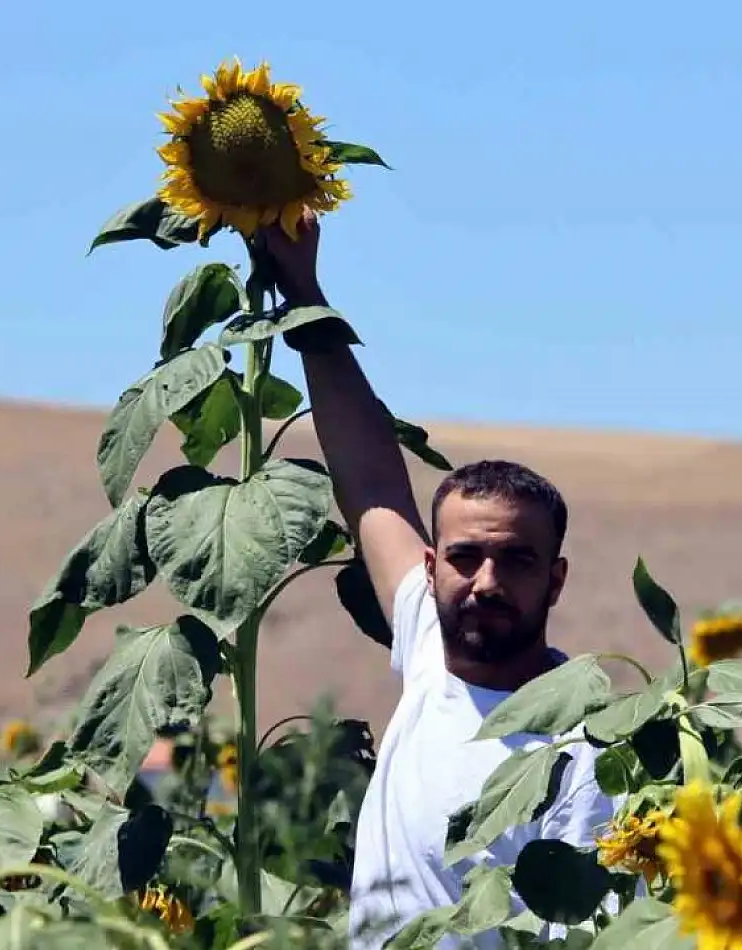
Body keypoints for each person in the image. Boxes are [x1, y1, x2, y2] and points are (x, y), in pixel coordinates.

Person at [259, 213, 615, 948]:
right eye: (464, 558)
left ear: (556, 581)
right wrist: (302, 289)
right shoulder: (428, 642)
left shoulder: (578, 753)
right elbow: (369, 481)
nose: (486, 582)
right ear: (430, 567)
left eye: (517, 561)